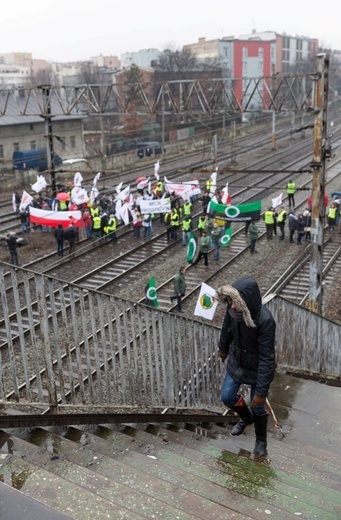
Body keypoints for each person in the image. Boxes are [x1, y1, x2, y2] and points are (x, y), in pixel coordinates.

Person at [216, 276, 276, 457]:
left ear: (247, 303)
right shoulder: (232, 311)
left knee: (257, 405)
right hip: (238, 361)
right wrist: (223, 348)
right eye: (231, 301)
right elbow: (226, 329)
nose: (232, 306)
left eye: (236, 302)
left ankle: (260, 441)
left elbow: (267, 358)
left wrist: (261, 392)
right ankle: (245, 417)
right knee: (227, 397)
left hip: (258, 368)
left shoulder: (265, 321)